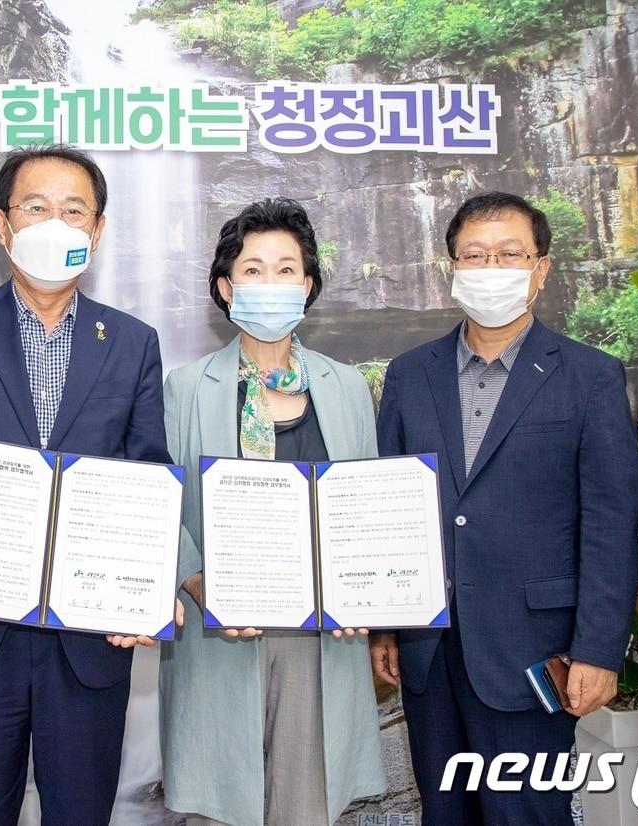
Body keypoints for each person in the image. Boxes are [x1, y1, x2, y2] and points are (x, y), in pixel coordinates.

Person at [0, 144, 175, 825]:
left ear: (98, 230)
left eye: (73, 210)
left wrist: (139, 590)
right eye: (36, 207)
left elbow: (147, 475)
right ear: (2, 224)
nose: (55, 223)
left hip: (87, 643)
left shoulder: (133, 342)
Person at [369, 191, 638, 824]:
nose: (491, 268)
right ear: (452, 269)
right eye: (475, 255)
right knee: (446, 814)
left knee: (529, 815)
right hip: (430, 647)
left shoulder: (591, 376)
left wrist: (600, 650)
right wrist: (385, 623)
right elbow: (389, 505)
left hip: (536, 650)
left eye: (510, 254)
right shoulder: (410, 374)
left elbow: (611, 522)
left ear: (540, 268)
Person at [159, 199, 386, 826]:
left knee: (306, 804)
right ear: (226, 287)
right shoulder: (185, 386)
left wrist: (365, 592)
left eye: (286, 269)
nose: (270, 283)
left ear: (307, 287)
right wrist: (200, 581)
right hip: (218, 633)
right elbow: (162, 499)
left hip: (322, 640)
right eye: (252, 269)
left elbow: (366, 508)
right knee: (218, 804)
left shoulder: (344, 386)